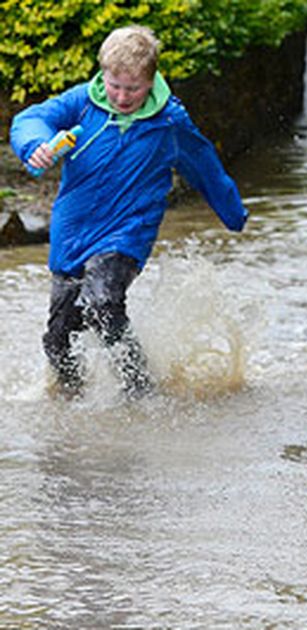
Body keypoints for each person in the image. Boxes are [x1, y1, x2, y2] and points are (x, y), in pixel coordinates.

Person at [9, 25, 248, 399]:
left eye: (133, 88)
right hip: (72, 233)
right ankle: (70, 404)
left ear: (150, 80)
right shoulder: (82, 103)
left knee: (102, 302)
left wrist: (233, 213)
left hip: (128, 233)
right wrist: (35, 145)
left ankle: (139, 391)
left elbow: (204, 165)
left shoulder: (170, 121)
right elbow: (29, 120)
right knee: (58, 339)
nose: (121, 96)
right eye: (115, 85)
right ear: (104, 74)